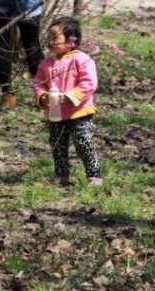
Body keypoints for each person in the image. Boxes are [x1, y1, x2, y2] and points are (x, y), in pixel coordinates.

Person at [32, 17, 102, 186]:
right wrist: (43, 97)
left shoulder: (81, 59)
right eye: (49, 37)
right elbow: (37, 84)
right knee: (58, 144)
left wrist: (71, 96)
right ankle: (61, 175)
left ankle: (94, 174)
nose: (50, 42)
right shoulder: (45, 64)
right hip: (56, 114)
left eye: (55, 38)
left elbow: (89, 82)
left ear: (72, 40)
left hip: (80, 112)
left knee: (83, 141)